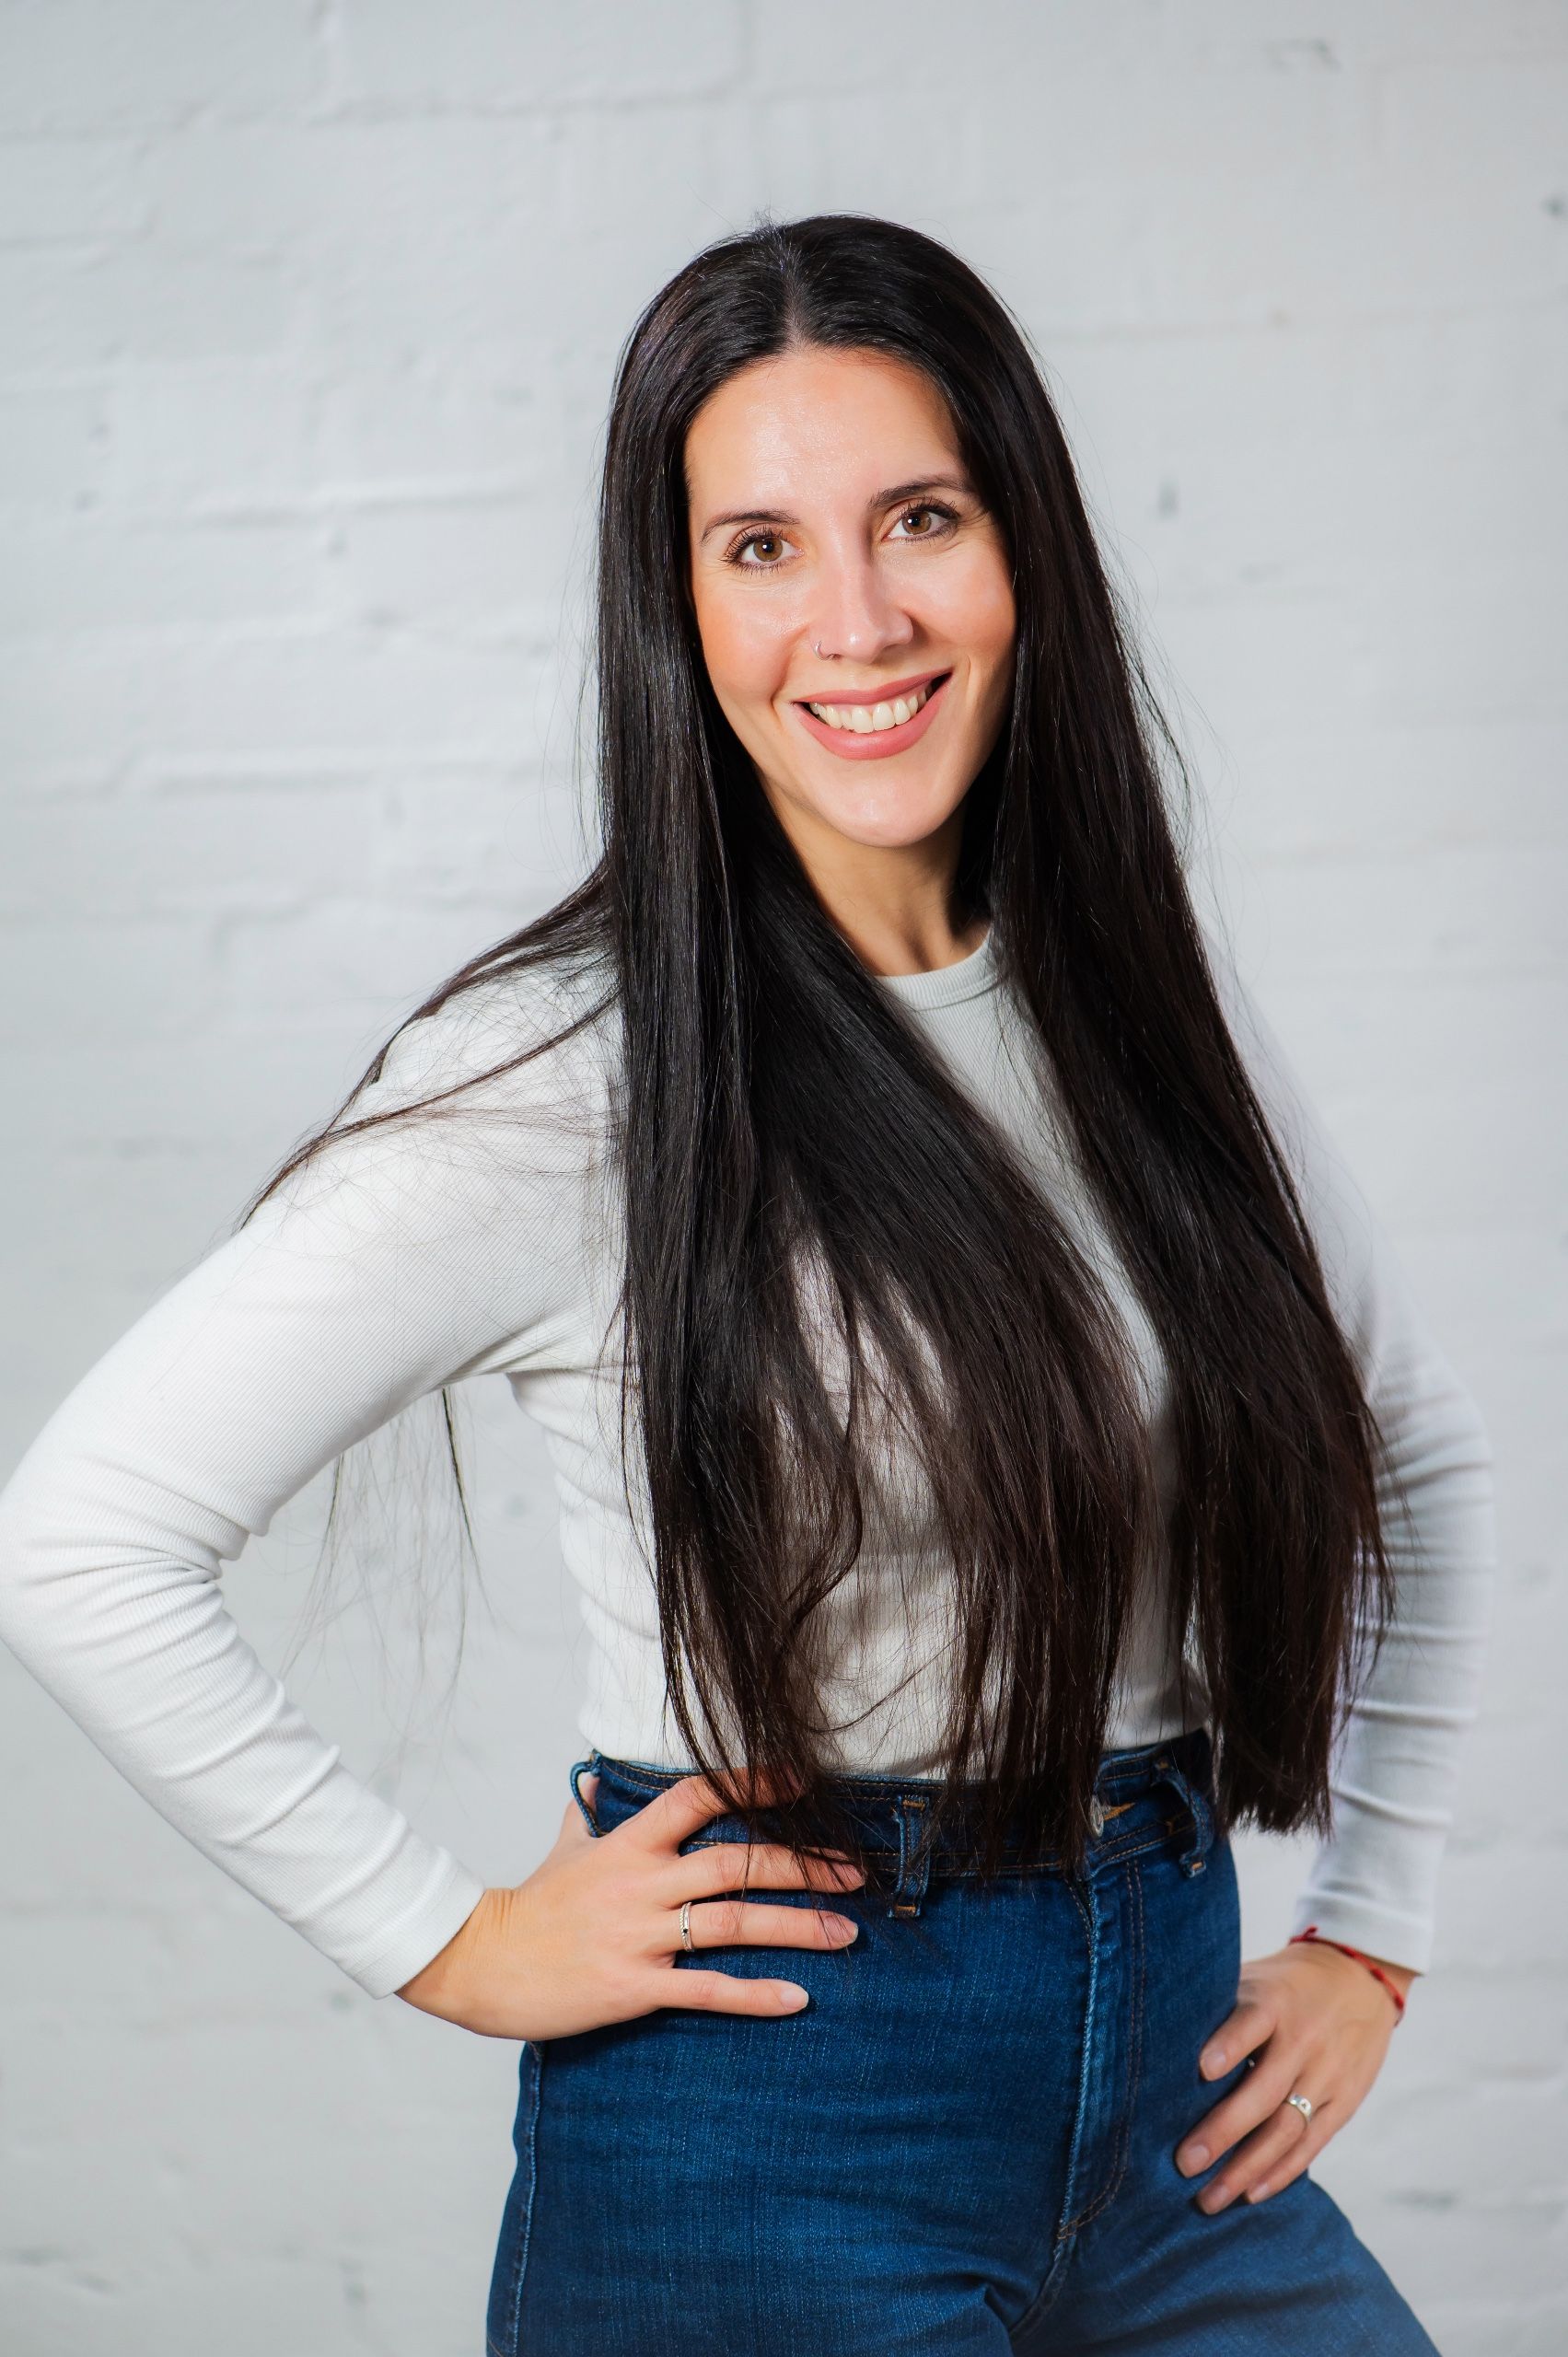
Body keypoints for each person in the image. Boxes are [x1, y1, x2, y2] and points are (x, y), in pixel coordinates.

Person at [0, 215, 1493, 2354]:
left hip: (1172, 2084)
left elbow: (1408, 1448)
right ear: (676, 603)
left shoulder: (1135, 1004)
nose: (859, 618)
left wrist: (1378, 1932)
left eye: (919, 518)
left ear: (1022, 551)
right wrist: (458, 1938)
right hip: (777, 2112)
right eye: (762, 546)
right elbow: (83, 1535)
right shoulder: (574, 1073)